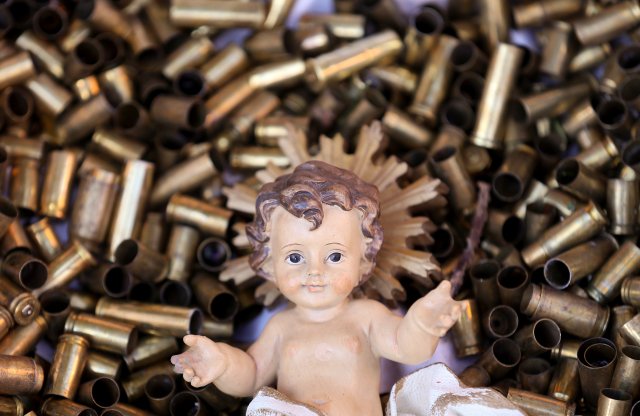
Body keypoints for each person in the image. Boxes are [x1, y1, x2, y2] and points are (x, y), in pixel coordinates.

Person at [170, 161, 481, 415]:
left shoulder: (367, 316)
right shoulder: (280, 326)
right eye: (294, 257)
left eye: (334, 256)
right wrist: (222, 363)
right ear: (268, 264)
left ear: (363, 262)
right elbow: (251, 375)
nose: (314, 272)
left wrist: (422, 322)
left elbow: (406, 346)